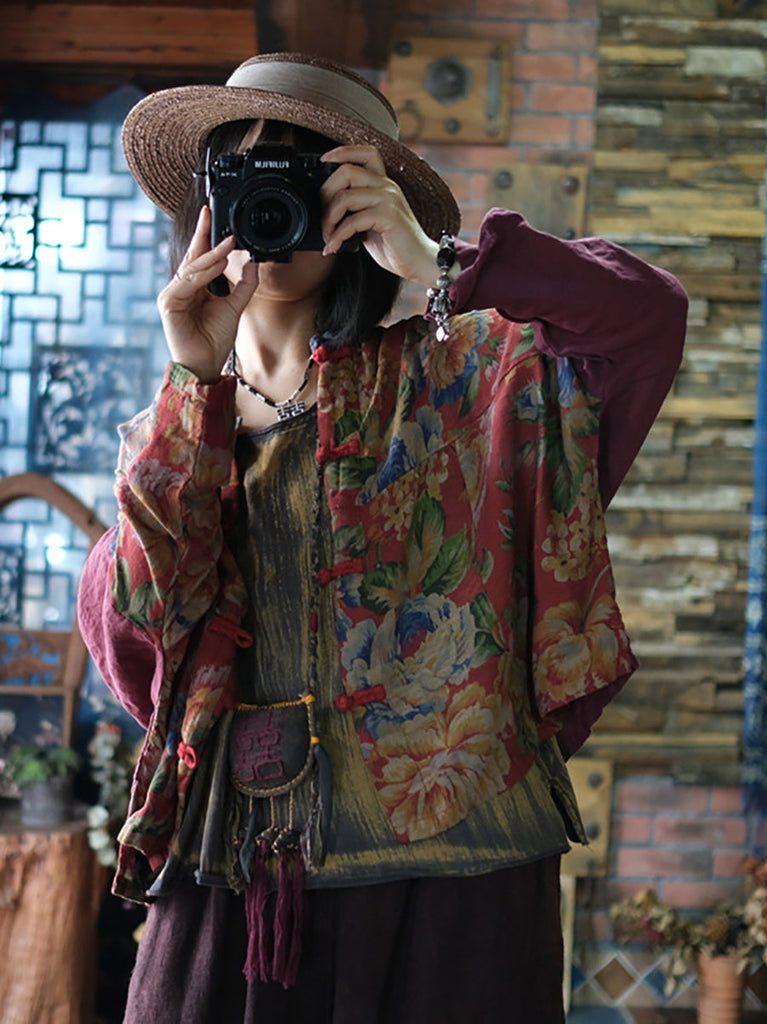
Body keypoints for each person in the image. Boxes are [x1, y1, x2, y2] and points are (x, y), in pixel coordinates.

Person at [77, 51, 688, 1024]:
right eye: (240, 170)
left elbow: (646, 315)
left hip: (454, 889)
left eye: (305, 171)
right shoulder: (174, 428)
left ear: (360, 203)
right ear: (203, 199)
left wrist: (443, 262)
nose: (270, 198)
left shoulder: (483, 381)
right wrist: (194, 382)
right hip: (233, 879)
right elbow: (139, 644)